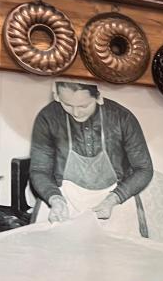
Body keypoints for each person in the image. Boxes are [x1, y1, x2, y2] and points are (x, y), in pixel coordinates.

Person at [29, 81, 153, 237]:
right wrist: (55, 199)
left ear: (98, 97)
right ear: (56, 96)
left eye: (83, 106)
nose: (76, 113)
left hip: (114, 201)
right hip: (65, 199)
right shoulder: (48, 117)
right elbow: (39, 170)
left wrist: (114, 199)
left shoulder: (122, 118)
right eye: (67, 104)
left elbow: (144, 169)